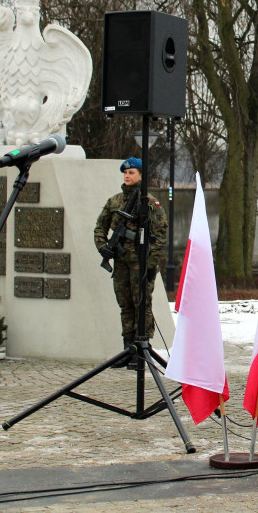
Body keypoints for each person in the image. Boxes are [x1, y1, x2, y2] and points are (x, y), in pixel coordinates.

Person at [94, 157, 168, 369]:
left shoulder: (150, 203)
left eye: (132, 173)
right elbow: (100, 227)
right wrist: (103, 247)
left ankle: (141, 347)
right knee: (125, 303)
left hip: (141, 263)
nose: (127, 176)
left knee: (141, 304)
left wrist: (149, 262)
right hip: (121, 261)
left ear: (141, 176)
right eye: (125, 173)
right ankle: (128, 348)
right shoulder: (115, 201)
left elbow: (160, 235)